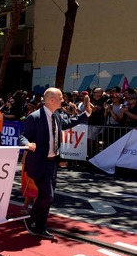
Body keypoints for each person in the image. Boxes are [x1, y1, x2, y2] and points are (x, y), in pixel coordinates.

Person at [19, 87, 91, 239]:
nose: (63, 100)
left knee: (46, 196)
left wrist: (86, 113)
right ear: (52, 100)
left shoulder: (56, 115)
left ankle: (40, 226)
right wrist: (28, 144)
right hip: (39, 163)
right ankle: (30, 219)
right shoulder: (35, 117)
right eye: (60, 98)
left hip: (52, 163)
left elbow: (68, 123)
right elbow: (23, 137)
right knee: (48, 196)